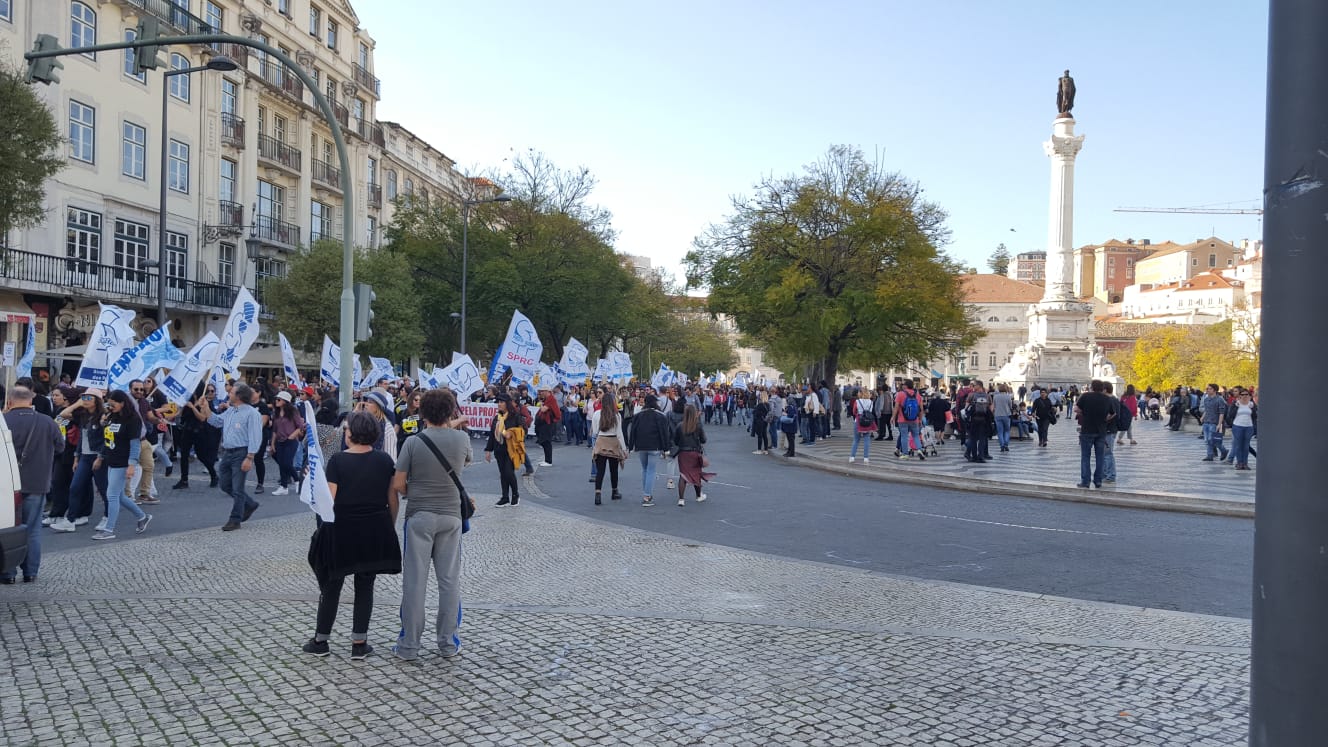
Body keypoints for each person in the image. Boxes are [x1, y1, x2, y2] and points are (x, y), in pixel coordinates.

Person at [302, 411, 401, 659]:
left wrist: (314, 486)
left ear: (351, 434)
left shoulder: (337, 461)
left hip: (342, 529)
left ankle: (321, 640)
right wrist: (389, 525)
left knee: (332, 584)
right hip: (374, 527)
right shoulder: (385, 461)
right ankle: (359, 643)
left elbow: (330, 499)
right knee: (365, 586)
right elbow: (392, 498)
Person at [391, 388, 472, 661]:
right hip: (451, 517)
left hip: (419, 516)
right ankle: (448, 643)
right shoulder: (461, 440)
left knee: (415, 582)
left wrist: (418, 492)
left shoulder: (413, 443)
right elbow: (465, 462)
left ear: (422, 412)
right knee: (449, 582)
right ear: (450, 412)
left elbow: (399, 484)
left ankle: (409, 646)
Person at [1, 386, 64, 582]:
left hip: (7, 485)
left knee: (8, 529)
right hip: (37, 482)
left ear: (9, 401)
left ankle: (8, 573)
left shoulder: (4, 421)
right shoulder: (47, 422)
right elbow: (60, 447)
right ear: (31, 401)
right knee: (33, 529)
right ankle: (30, 572)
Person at [200, 383, 263, 532]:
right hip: (227, 452)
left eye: (232, 392)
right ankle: (249, 503)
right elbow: (216, 421)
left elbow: (255, 436)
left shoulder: (252, 413)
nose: (229, 394)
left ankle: (235, 519)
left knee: (238, 488)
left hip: (241, 453)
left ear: (240, 396)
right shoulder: (231, 411)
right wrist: (206, 408)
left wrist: (250, 457)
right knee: (224, 484)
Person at [91, 390, 152, 540]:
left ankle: (109, 530)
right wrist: (100, 457)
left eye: (113, 404)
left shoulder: (132, 420)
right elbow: (108, 439)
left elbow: (135, 444)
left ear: (123, 403)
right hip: (112, 459)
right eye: (108, 404)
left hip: (124, 461)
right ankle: (142, 516)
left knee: (111, 495)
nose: (110, 407)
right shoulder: (112, 417)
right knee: (119, 496)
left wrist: (132, 464)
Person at [630, 393, 673, 507]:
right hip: (654, 446)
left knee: (644, 469)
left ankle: (646, 493)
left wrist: (631, 446)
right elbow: (664, 433)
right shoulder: (660, 415)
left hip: (641, 445)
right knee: (651, 470)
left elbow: (633, 431)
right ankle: (647, 496)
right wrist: (666, 448)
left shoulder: (638, 415)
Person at [1073, 380, 1114, 489]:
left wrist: (1085, 413)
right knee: (1100, 457)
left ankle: (1085, 482)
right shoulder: (1107, 399)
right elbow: (1112, 413)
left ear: (1092, 387)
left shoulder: (1085, 396)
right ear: (1102, 388)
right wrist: (1105, 419)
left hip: (1087, 429)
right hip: (1101, 431)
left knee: (1085, 457)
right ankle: (1098, 481)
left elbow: (1076, 409)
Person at [484, 395, 524, 507]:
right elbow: (492, 434)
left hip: (511, 449)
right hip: (499, 449)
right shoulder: (497, 418)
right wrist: (488, 450)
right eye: (498, 402)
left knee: (508, 472)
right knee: (503, 473)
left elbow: (523, 429)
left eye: (502, 402)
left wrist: (512, 432)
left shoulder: (515, 416)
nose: (499, 404)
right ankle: (505, 497)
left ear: (507, 403)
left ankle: (515, 494)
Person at [590, 391, 629, 505]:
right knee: (613, 470)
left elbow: (595, 431)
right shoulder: (616, 416)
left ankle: (598, 493)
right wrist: (624, 449)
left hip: (601, 441)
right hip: (612, 442)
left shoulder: (597, 414)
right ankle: (614, 491)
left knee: (600, 471)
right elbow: (619, 433)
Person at [673, 404, 713, 506]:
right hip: (695, 452)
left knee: (683, 475)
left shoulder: (680, 426)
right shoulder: (698, 425)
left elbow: (676, 441)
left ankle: (681, 499)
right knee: (696, 474)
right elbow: (704, 440)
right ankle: (698, 496)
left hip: (683, 453)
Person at [269, 391, 306, 496]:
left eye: (279, 399)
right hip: (279, 440)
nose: (276, 401)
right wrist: (272, 443)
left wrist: (291, 437)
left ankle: (297, 480)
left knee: (287, 462)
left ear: (285, 401)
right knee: (281, 463)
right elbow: (275, 430)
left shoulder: (293, 412)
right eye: (276, 399)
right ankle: (284, 486)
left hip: (291, 441)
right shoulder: (276, 413)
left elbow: (300, 426)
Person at [1225, 389, 1257, 471]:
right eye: (1242, 394)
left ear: (1249, 396)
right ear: (1240, 396)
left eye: (1246, 394)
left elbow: (1255, 416)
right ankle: (1239, 463)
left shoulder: (1252, 404)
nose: (1244, 396)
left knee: (1246, 446)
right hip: (1237, 426)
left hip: (1249, 427)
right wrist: (1236, 406)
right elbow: (1230, 415)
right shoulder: (1236, 404)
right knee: (1238, 445)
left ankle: (1245, 463)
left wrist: (1253, 409)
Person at [893, 381, 925, 460]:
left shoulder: (900, 394)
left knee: (904, 436)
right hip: (914, 420)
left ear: (906, 386)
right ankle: (920, 450)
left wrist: (893, 417)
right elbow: (921, 409)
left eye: (903, 385)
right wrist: (920, 419)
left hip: (902, 419)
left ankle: (905, 454)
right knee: (916, 436)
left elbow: (896, 407)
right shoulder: (917, 395)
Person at [1200, 384, 1230, 463]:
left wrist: (1219, 424)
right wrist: (1202, 417)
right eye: (1207, 389)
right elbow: (1207, 410)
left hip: (1214, 422)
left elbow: (1221, 413)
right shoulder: (1206, 399)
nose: (1208, 390)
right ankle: (1210, 455)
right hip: (1206, 421)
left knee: (1212, 440)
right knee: (1207, 440)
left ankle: (1223, 450)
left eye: (1210, 389)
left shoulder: (1219, 399)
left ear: (1214, 390)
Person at [848, 389, 877, 463]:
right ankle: (866, 458)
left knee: (856, 440)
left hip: (858, 421)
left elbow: (854, 412)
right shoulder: (871, 402)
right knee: (867, 440)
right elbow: (871, 411)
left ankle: (852, 457)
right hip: (868, 421)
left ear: (861, 393)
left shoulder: (857, 401)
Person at [534, 388, 561, 467]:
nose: (542, 393)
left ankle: (549, 461)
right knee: (544, 441)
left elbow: (543, 409)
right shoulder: (547, 399)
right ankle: (546, 460)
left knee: (546, 441)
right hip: (545, 423)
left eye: (543, 391)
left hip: (548, 423)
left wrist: (541, 404)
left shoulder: (551, 399)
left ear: (547, 392)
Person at [992, 384, 1014, 453]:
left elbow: (994, 406)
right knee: (1007, 431)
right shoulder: (1008, 396)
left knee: (1000, 432)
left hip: (997, 415)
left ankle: (1001, 446)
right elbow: (1010, 406)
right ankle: (1006, 444)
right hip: (1006, 415)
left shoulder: (995, 396)